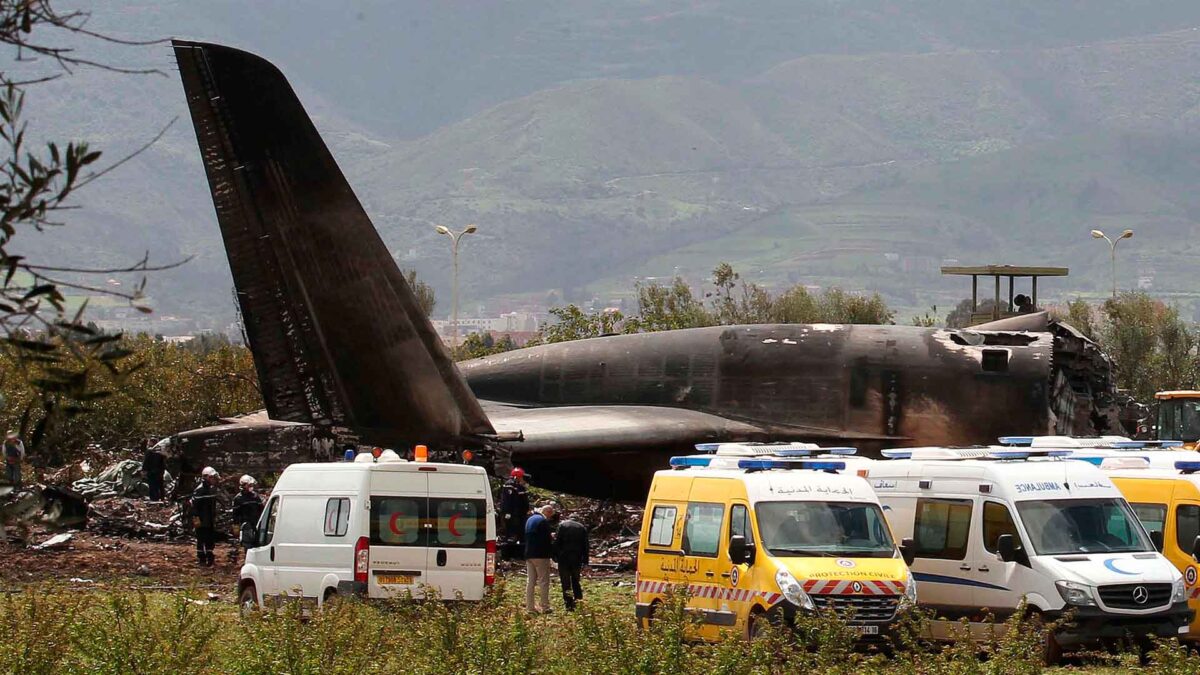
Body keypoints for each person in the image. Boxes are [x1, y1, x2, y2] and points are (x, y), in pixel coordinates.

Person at [553, 511, 589, 610]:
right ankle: (578, 601)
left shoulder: (562, 525)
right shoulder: (582, 528)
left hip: (563, 558)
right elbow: (586, 546)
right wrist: (585, 561)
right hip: (577, 558)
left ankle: (568, 605)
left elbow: (557, 542)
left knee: (565, 582)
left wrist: (555, 556)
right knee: (576, 581)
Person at [524, 503, 555, 614]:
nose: (550, 518)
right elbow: (547, 540)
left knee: (530, 581)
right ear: (547, 512)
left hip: (529, 554)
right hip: (541, 555)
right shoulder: (543, 522)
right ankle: (545, 606)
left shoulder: (529, 520)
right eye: (550, 515)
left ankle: (530, 607)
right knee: (543, 581)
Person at [230, 475, 263, 563]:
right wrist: (236, 526)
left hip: (256, 523)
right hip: (246, 525)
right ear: (243, 486)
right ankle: (248, 561)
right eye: (249, 485)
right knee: (247, 545)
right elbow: (235, 514)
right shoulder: (238, 498)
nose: (251, 487)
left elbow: (261, 509)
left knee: (257, 543)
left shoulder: (255, 496)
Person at [191, 466, 221, 566]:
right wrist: (196, 519)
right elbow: (194, 507)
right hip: (202, 520)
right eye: (212, 477)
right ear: (207, 477)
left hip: (210, 520)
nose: (214, 480)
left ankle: (210, 557)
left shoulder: (211, 490)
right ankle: (202, 559)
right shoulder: (199, 490)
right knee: (201, 539)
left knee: (210, 539)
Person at [499, 467, 530, 558]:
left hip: (518, 514)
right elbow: (509, 501)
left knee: (519, 532)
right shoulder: (511, 485)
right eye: (521, 477)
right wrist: (508, 513)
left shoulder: (518, 486)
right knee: (511, 532)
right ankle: (508, 554)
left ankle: (518, 551)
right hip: (513, 514)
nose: (522, 479)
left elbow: (523, 500)